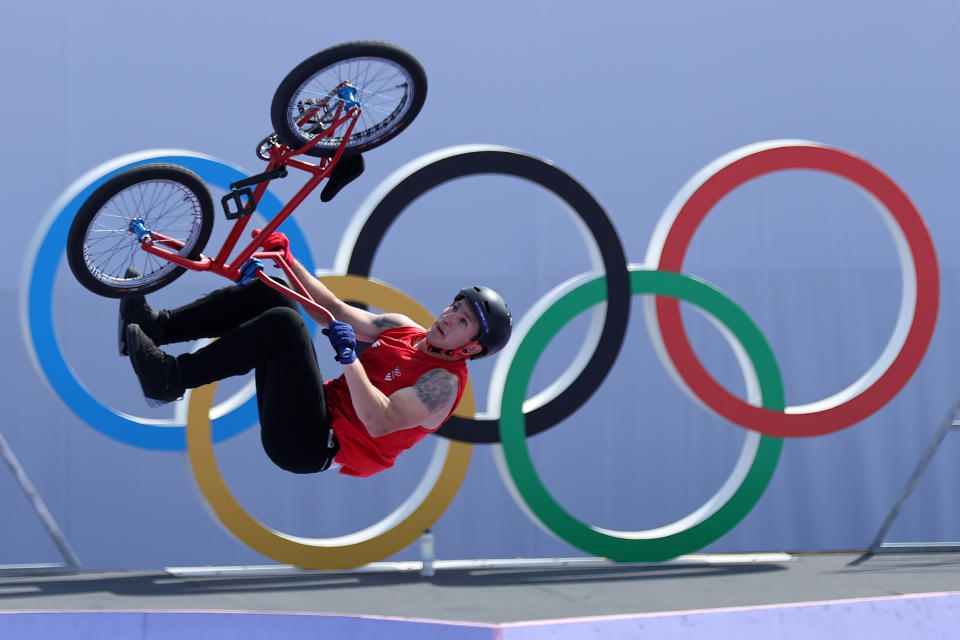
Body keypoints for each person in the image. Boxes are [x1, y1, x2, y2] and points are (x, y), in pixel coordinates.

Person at [118, 230, 512, 478]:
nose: (449, 316)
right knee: (273, 293)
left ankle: (170, 379)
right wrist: (288, 264)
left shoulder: (442, 384)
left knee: (285, 328)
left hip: (311, 445)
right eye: (455, 307)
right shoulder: (405, 329)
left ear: (471, 348)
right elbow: (336, 312)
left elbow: (379, 421)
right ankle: (159, 327)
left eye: (463, 322)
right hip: (315, 411)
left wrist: (349, 358)